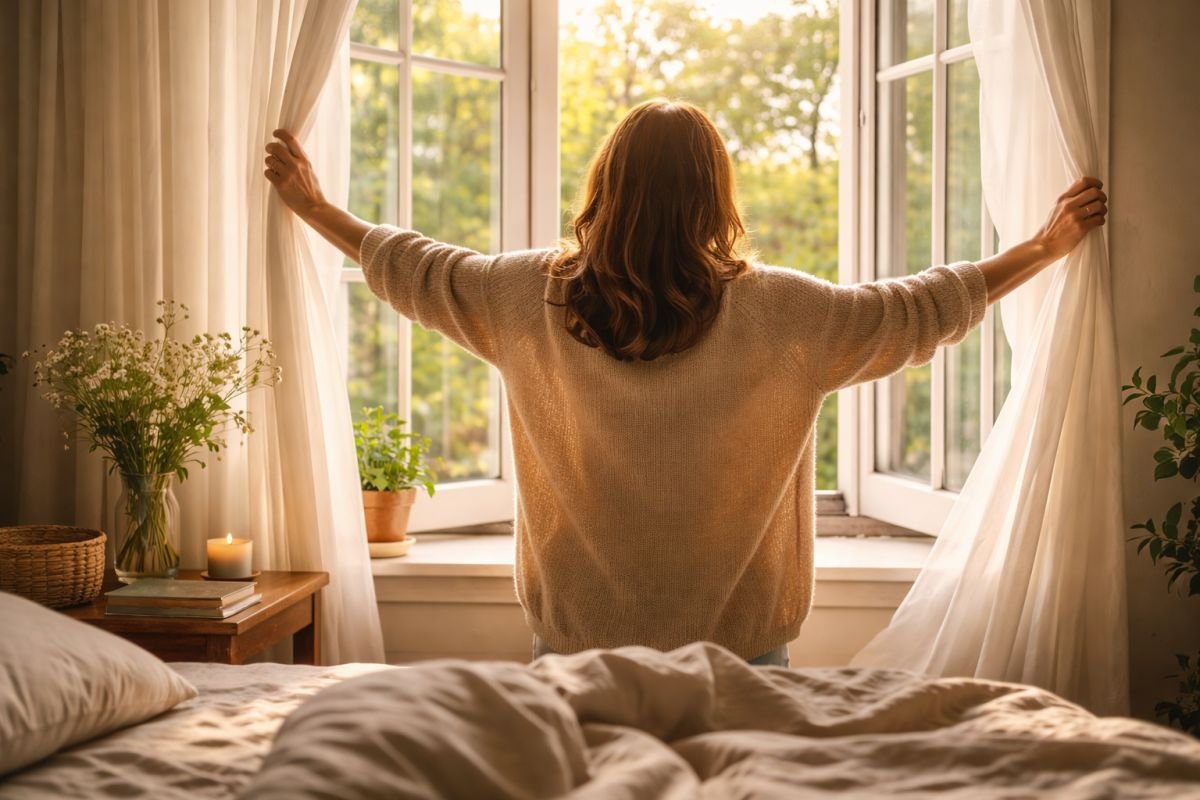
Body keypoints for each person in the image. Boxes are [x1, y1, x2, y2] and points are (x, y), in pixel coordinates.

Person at [264, 100, 1107, 667]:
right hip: (745, 664)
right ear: (715, 195)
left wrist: (312, 204)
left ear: (607, 186)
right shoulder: (782, 312)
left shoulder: (525, 295)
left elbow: (413, 267)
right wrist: (1041, 245)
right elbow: (921, 308)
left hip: (574, 659)